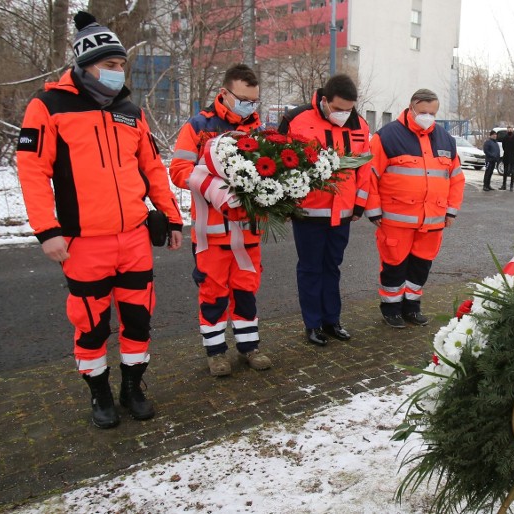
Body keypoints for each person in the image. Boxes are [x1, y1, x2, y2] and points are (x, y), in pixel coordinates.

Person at [16, 12, 184, 428]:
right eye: (109, 65)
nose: (117, 72)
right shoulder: (48, 105)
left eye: (120, 65)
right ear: (85, 64)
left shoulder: (129, 110)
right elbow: (32, 171)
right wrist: (46, 231)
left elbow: (152, 168)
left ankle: (132, 386)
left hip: (133, 239)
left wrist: (172, 216)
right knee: (90, 324)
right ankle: (99, 393)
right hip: (83, 242)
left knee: (138, 318)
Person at [170, 64, 272, 377]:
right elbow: (178, 171)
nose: (249, 106)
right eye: (243, 99)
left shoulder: (258, 130)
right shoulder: (198, 126)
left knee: (246, 291)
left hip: (249, 230)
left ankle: (249, 347)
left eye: (254, 101)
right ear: (225, 93)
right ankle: (216, 353)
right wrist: (215, 188)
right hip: (212, 232)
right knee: (213, 294)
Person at [277, 74, 372, 347]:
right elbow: (279, 160)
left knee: (332, 267)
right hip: (307, 212)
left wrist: (359, 203)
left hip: (342, 212)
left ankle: (332, 320)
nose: (343, 114)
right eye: (338, 108)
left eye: (349, 109)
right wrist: (283, 202)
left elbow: (364, 168)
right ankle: (312, 323)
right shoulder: (297, 120)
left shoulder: (359, 125)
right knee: (310, 269)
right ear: (325, 100)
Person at [365, 89, 465, 328]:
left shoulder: (445, 140)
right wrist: (374, 210)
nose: (428, 117)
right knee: (394, 266)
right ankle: (391, 309)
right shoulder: (386, 137)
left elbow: (456, 179)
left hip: (432, 221)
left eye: (432, 113)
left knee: (420, 267)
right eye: (423, 112)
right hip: (396, 220)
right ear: (411, 107)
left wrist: (451, 210)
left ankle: (411, 307)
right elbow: (370, 176)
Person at [499, 125, 514, 191]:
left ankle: (511, 186)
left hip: (513, 157)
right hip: (506, 156)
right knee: (505, 172)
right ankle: (504, 185)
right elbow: (503, 146)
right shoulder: (505, 138)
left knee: (512, 172)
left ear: (513, 130)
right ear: (507, 130)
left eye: (511, 129)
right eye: (508, 129)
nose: (509, 130)